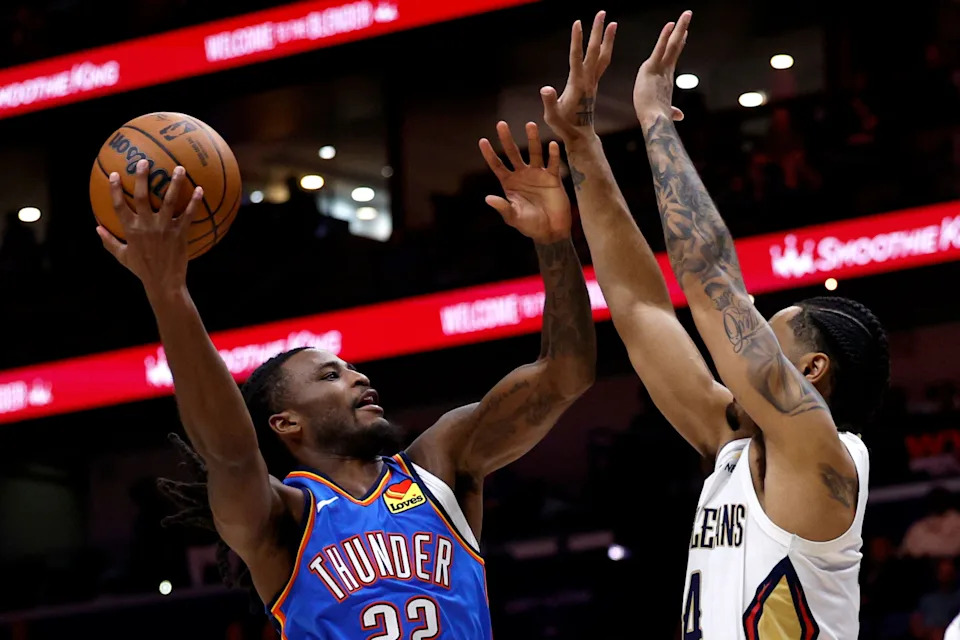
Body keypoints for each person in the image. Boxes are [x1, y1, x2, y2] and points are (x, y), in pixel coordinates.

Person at [96, 125, 595, 639]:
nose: (357, 376)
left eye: (352, 367)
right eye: (330, 374)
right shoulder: (281, 518)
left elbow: (565, 376)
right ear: (285, 421)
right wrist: (168, 292)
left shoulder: (441, 464)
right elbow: (229, 451)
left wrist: (555, 241)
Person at [540, 11, 889, 638]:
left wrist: (651, 117)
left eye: (764, 336)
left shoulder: (824, 459)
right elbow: (640, 306)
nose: (741, 347)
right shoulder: (733, 447)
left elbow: (710, 279)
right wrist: (583, 141)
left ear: (811, 372)